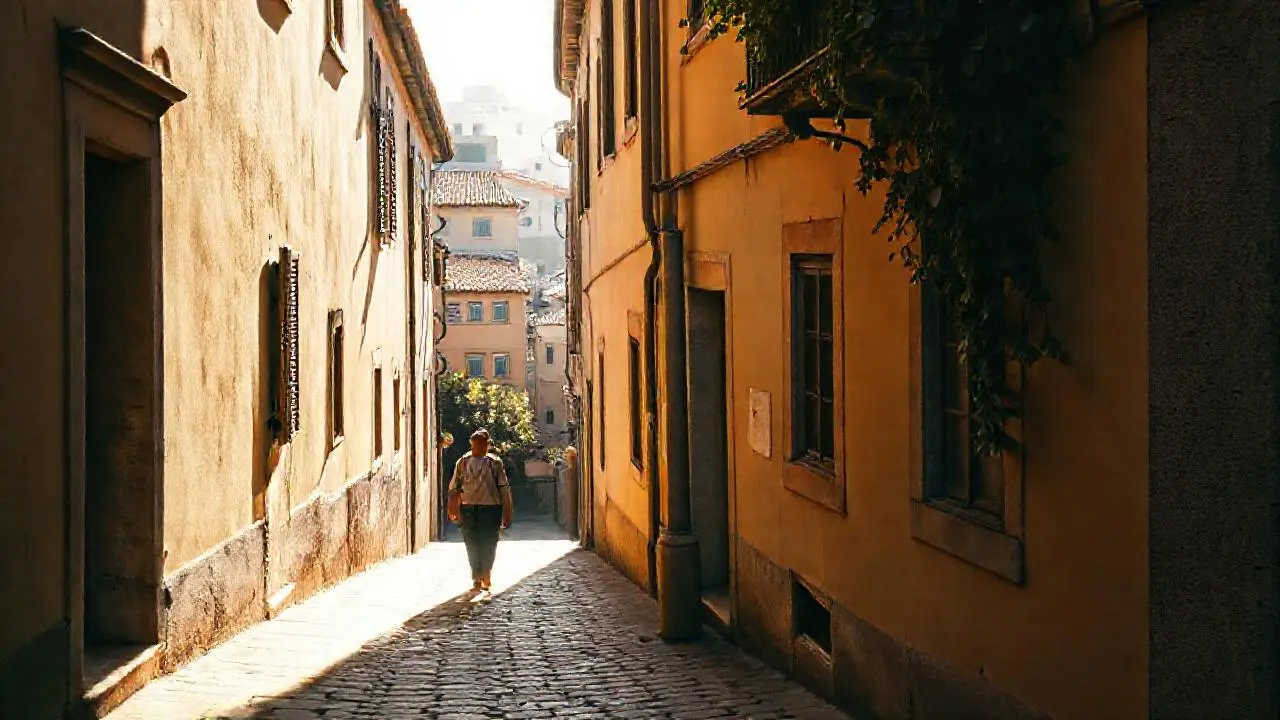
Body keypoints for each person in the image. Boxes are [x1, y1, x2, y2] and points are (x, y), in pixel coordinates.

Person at [447, 429, 514, 591]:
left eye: (482, 444)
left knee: (489, 543)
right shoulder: (463, 462)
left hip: (491, 509)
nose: (479, 447)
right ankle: (477, 574)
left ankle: (486, 572)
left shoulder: (495, 463)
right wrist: (452, 508)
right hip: (468, 509)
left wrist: (507, 512)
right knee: (472, 543)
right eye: (476, 444)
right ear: (472, 444)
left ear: (487, 444)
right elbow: (454, 488)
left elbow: (504, 489)